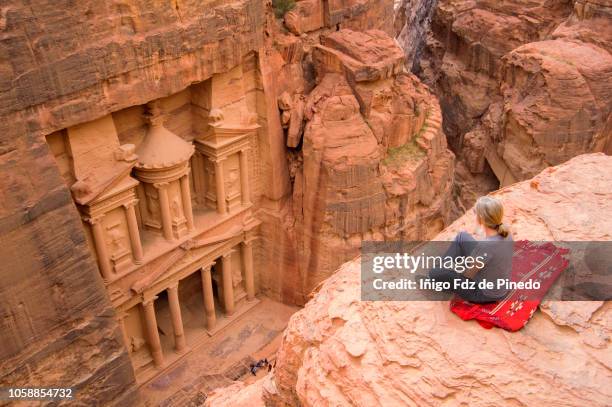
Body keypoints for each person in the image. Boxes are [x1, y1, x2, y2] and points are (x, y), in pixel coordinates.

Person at [428, 196, 513, 303]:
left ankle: (439, 276)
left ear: (481, 217)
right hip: (499, 284)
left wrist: (455, 268)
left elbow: (468, 275)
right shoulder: (506, 231)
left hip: (484, 293)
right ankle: (443, 267)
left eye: (475, 212)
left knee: (435, 273)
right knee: (462, 237)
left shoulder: (486, 246)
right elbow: (489, 249)